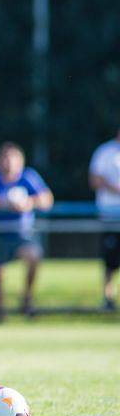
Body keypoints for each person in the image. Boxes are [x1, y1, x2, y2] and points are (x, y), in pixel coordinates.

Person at [0, 142, 53, 323]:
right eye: (4, 158)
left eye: (12, 158)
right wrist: (3, 203)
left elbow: (47, 199)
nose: (8, 163)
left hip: (21, 235)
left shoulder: (29, 177)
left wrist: (29, 203)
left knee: (34, 257)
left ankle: (27, 297)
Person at [88, 130, 120, 310]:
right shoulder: (105, 152)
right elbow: (94, 179)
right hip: (111, 215)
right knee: (110, 259)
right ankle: (108, 298)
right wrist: (115, 188)